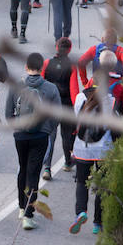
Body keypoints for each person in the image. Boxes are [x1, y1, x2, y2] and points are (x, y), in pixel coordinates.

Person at [7, 54, 60, 230]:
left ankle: (22, 208)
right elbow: (56, 115)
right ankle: (29, 216)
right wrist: (48, 129)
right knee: (33, 173)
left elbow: (8, 113)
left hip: (20, 135)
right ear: (41, 68)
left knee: (22, 169)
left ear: (26, 66)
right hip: (40, 136)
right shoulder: (50, 88)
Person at [69, 72, 120, 237]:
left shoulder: (80, 97)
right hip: (104, 149)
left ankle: (81, 212)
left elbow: (77, 120)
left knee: (81, 182)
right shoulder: (112, 101)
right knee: (102, 185)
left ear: (92, 81)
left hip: (83, 147)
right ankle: (98, 223)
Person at [41, 38, 75, 179]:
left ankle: (47, 168)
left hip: (50, 104)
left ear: (56, 47)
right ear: (70, 50)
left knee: (50, 136)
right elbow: (74, 89)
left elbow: (41, 83)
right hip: (66, 105)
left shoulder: (47, 63)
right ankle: (67, 162)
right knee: (67, 135)